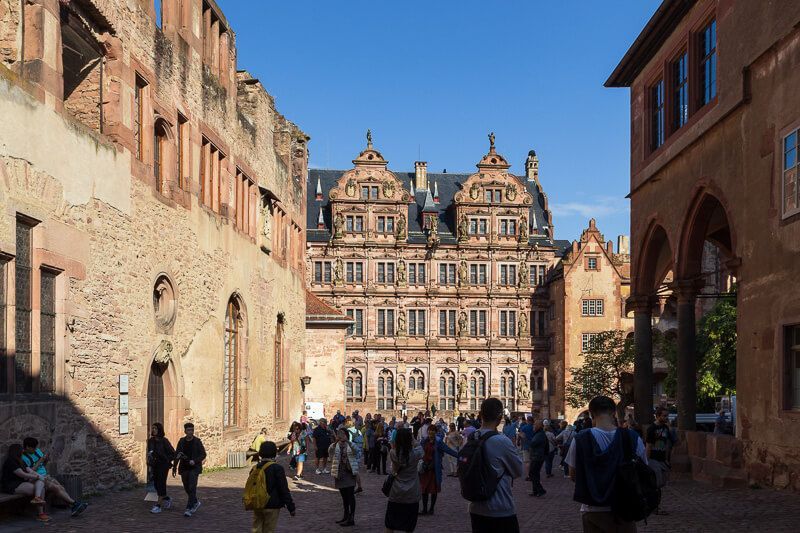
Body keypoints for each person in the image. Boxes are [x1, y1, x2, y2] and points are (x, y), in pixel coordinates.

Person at [566, 395, 648, 533]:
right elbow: (643, 470)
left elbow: (573, 475)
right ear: (613, 412)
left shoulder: (580, 439)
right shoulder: (631, 437)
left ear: (591, 414)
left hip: (592, 508)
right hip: (625, 507)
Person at [468, 398, 524, 533]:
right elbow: (518, 471)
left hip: (475, 507)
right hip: (500, 508)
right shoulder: (501, 441)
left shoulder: (470, 438)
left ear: (480, 415)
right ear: (500, 417)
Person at [21, 437, 88, 516]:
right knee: (56, 488)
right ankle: (74, 504)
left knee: (60, 487)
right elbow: (30, 471)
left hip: (45, 475)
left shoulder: (37, 451)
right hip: (37, 478)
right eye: (33, 448)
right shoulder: (23, 457)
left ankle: (73, 506)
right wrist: (40, 461)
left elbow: (43, 465)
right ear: (27, 447)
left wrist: (45, 460)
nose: (35, 449)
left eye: (36, 447)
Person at [251, 441, 295, 533]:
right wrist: (291, 507)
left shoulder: (255, 468)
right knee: (269, 530)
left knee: (256, 529)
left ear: (261, 453)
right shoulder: (277, 468)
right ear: (274, 453)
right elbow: (283, 489)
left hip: (258, 503)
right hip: (272, 504)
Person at [385, 428, 423, 533]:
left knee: (390, 523)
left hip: (396, 491)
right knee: (409, 525)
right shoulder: (415, 453)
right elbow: (419, 447)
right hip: (412, 491)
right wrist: (413, 439)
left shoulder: (393, 453)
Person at [418, 424, 458, 516]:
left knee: (433, 489)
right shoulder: (424, 441)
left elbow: (449, 451)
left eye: (432, 430)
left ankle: (431, 509)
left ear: (435, 432)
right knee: (424, 489)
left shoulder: (439, 442)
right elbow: (418, 451)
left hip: (433, 469)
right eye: (429, 430)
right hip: (425, 468)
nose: (430, 432)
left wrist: (462, 457)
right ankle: (424, 509)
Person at [2, 444, 48, 522]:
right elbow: (22, 474)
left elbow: (30, 471)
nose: (23, 451)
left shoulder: (21, 460)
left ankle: (38, 502)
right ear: (16, 451)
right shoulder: (10, 461)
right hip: (11, 485)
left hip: (21, 482)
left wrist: (40, 476)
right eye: (21, 450)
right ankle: (40, 512)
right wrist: (37, 477)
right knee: (37, 488)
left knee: (41, 486)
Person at [172, 422, 206, 517]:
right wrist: (174, 467)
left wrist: (194, 461)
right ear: (185, 431)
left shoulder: (197, 442)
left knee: (192, 487)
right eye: (189, 430)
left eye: (192, 430)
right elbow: (177, 454)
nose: (191, 432)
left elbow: (203, 454)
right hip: (184, 467)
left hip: (194, 468)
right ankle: (195, 501)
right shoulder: (181, 441)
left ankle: (189, 508)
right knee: (187, 487)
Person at [646, 406, 675, 515]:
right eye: (664, 416)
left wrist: (667, 459)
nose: (666, 417)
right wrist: (647, 461)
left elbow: (667, 444)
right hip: (653, 459)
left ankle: (654, 506)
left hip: (662, 459)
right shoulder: (652, 428)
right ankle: (654, 507)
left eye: (667, 415)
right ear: (658, 416)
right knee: (656, 485)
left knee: (661, 484)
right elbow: (648, 446)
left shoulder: (666, 428)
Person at [329, 428, 359, 527]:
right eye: (339, 434)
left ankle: (352, 518)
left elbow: (357, 451)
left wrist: (348, 441)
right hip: (340, 473)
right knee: (344, 497)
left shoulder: (350, 444)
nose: (340, 436)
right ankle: (345, 516)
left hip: (349, 473)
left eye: (342, 434)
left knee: (350, 496)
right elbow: (330, 452)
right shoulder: (336, 445)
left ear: (346, 435)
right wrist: (335, 443)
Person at [147, 422, 176, 514]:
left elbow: (173, 453)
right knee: (155, 484)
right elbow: (150, 452)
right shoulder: (151, 441)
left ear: (160, 430)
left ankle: (158, 506)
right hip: (154, 465)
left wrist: (167, 460)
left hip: (163, 465)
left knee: (161, 483)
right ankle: (167, 498)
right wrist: (149, 459)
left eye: (155, 428)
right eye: (153, 428)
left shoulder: (164, 441)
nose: (154, 430)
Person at [528, 420, 548, 497]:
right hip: (537, 456)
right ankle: (535, 491)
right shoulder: (539, 434)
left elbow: (533, 444)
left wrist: (525, 437)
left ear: (538, 426)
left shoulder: (540, 435)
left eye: (534, 425)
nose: (533, 426)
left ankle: (540, 490)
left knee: (532, 473)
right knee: (535, 474)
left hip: (537, 457)